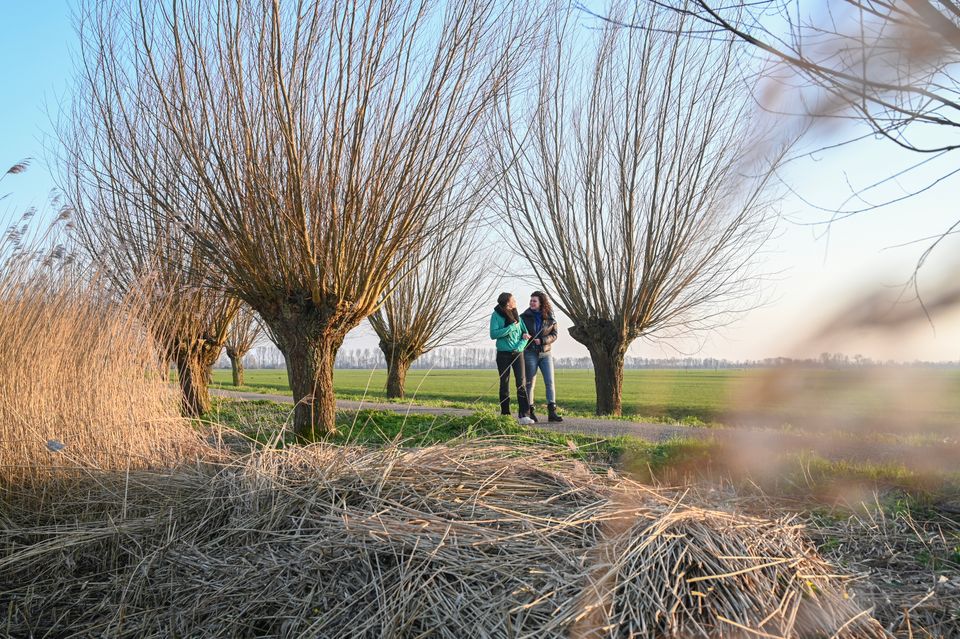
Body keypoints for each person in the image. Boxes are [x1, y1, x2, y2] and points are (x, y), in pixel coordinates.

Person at [489, 292, 534, 424]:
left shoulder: (518, 317)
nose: (515, 301)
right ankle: (505, 414)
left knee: (521, 383)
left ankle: (524, 415)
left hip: (517, 353)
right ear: (507, 303)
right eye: (513, 299)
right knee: (504, 383)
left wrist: (520, 347)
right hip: (503, 354)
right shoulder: (496, 316)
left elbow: (525, 335)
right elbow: (493, 334)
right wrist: (510, 328)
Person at [520, 291, 562, 422]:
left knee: (550, 382)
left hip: (546, 354)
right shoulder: (523, 317)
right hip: (530, 353)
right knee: (530, 384)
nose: (531, 303)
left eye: (534, 301)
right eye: (531, 300)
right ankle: (530, 412)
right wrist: (523, 336)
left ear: (541, 303)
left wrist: (543, 340)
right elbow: (519, 332)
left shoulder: (550, 317)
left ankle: (552, 413)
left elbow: (554, 334)